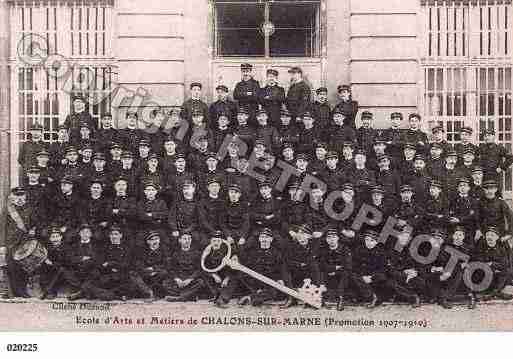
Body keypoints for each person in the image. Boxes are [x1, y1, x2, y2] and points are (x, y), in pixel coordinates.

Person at [237, 228, 288, 307]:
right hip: (256, 281)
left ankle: (251, 297)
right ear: (259, 239)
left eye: (267, 238)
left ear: (271, 240)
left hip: (270, 280)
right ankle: (257, 293)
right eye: (262, 237)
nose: (264, 240)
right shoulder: (253, 252)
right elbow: (246, 264)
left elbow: (282, 268)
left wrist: (280, 279)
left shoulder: (276, 253)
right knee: (242, 276)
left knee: (276, 293)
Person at [3, 187, 38, 298]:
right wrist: (2, 245)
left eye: (22, 196)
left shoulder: (30, 209)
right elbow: (2, 228)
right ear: (13, 197)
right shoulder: (8, 211)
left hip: (25, 241)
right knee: (12, 267)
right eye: (17, 196)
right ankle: (12, 291)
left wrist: (34, 229)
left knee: (24, 266)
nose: (20, 198)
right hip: (11, 243)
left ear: (25, 197)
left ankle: (22, 290)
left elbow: (35, 223)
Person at [280, 224, 320, 308]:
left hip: (308, 274)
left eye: (304, 234)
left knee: (314, 266)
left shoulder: (315, 245)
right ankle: (291, 297)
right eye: (299, 234)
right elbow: (287, 260)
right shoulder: (292, 245)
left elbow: (313, 260)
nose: (301, 237)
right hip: (296, 271)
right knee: (284, 266)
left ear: (310, 236)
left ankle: (313, 296)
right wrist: (299, 264)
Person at [129, 231, 170, 301]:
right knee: (132, 273)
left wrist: (154, 269)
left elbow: (168, 264)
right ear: (148, 242)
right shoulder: (142, 251)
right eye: (152, 240)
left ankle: (152, 292)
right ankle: (148, 292)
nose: (155, 241)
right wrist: (147, 271)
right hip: (145, 274)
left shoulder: (164, 250)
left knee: (164, 273)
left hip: (158, 274)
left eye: (157, 239)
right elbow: (138, 264)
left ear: (159, 240)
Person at [164, 231, 205, 302]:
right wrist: (177, 279)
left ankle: (180, 297)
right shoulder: (175, 254)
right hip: (180, 280)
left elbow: (199, 269)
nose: (187, 241)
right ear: (180, 240)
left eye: (189, 239)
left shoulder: (197, 253)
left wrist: (190, 279)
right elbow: (171, 269)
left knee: (200, 282)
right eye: (185, 239)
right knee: (165, 283)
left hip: (191, 280)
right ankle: (190, 295)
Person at [319, 228, 353, 311]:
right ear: (326, 239)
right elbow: (321, 265)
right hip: (328, 275)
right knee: (319, 272)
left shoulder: (344, 249)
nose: (331, 240)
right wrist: (334, 268)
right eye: (329, 237)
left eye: (334, 237)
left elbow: (348, 265)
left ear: (338, 238)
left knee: (346, 273)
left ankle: (340, 299)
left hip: (341, 276)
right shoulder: (324, 250)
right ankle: (320, 296)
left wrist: (335, 271)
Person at [352, 230, 387, 308]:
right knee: (353, 275)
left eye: (372, 240)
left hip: (375, 275)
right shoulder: (359, 250)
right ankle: (372, 297)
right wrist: (363, 276)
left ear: (376, 242)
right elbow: (355, 265)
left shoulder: (381, 252)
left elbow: (383, 268)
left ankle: (373, 297)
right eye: (367, 240)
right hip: (362, 275)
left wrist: (371, 277)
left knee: (382, 277)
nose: (369, 242)